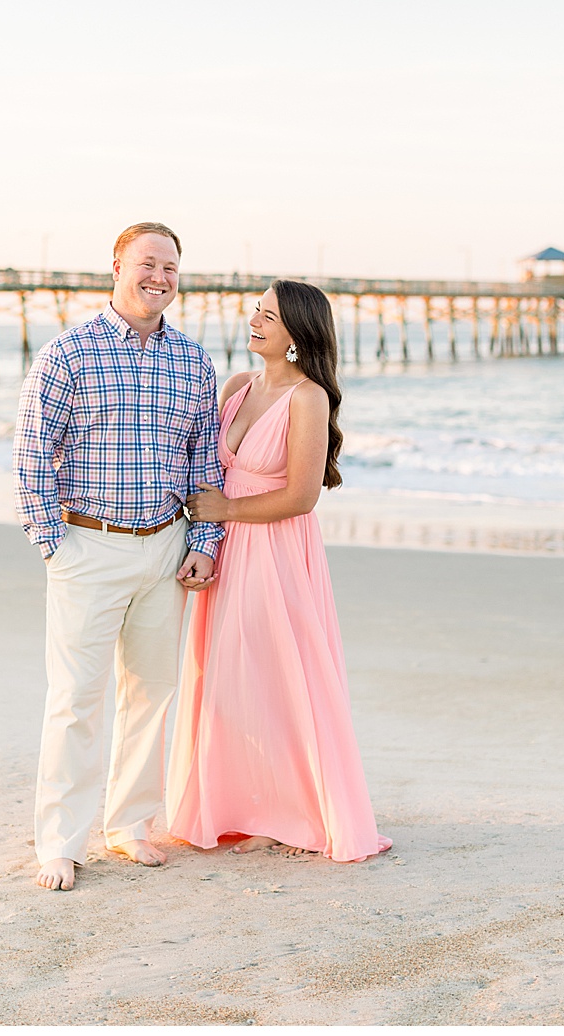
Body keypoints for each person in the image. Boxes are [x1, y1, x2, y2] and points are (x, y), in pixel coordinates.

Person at [14, 222, 224, 892]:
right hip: (87, 545)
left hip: (164, 547)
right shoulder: (67, 354)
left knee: (151, 694)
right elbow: (30, 454)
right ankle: (61, 841)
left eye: (170, 267)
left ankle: (130, 826)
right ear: (117, 265)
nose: (158, 278)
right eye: (147, 264)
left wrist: (202, 540)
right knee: (76, 699)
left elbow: (203, 459)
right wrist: (52, 542)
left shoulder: (193, 362)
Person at [168, 280, 391, 862]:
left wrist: (228, 510)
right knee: (225, 679)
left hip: (275, 551)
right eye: (256, 311)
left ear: (298, 332)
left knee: (276, 677)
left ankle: (289, 812)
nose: (255, 320)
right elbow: (206, 469)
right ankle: (240, 804)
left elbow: (301, 496)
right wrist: (205, 535)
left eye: (269, 315)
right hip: (226, 546)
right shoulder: (239, 386)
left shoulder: (308, 397)